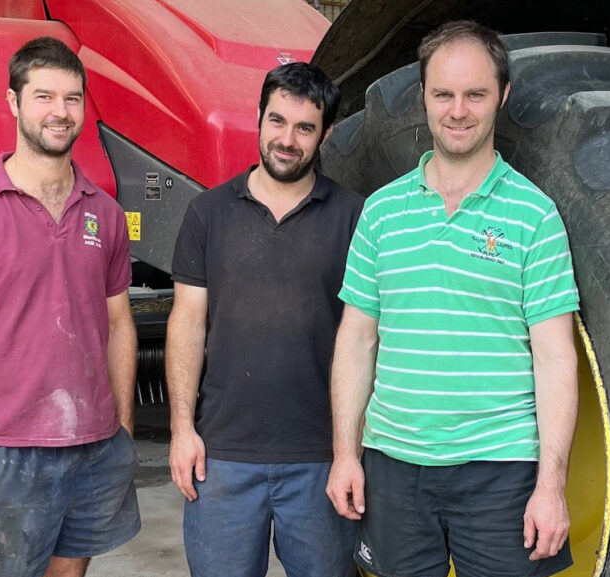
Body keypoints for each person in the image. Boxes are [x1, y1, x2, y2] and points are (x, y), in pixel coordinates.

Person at [326, 20, 580, 577]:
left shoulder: (533, 215)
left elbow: (555, 356)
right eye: (443, 93)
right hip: (393, 467)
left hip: (500, 470)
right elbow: (357, 338)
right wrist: (347, 454)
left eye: (475, 94)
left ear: (502, 96)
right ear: (423, 97)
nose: (457, 110)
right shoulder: (381, 212)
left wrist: (551, 485)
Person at [0, 37, 140, 577]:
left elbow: (118, 325)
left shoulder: (106, 215)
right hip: (7, 448)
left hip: (92, 443)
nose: (59, 112)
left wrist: (124, 430)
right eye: (43, 96)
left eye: (72, 98)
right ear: (14, 103)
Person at [166, 62, 362, 577]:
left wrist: (352, 452)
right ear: (258, 119)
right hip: (223, 458)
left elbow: (369, 340)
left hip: (321, 458)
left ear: (327, 134)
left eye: (304, 128)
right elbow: (186, 325)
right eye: (277, 121)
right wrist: (182, 429)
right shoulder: (207, 214)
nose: (287, 140)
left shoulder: (356, 218)